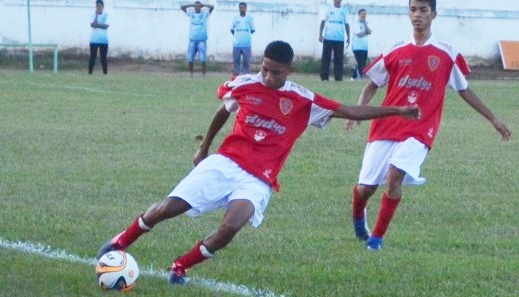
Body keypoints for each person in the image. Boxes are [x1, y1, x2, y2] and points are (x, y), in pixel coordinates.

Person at [96, 41, 420, 285]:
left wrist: (398, 111)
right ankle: (120, 241)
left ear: (288, 71)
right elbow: (224, 111)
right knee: (167, 208)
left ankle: (181, 266)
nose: (267, 75)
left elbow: (350, 111)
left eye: (275, 71)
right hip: (225, 162)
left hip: (258, 180)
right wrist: (204, 148)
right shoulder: (246, 84)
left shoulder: (303, 100)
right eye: (264, 68)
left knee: (231, 226)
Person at [346, 0, 512, 251]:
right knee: (364, 188)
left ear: (434, 14)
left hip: (421, 129)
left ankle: (376, 240)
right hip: (387, 126)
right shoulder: (396, 49)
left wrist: (493, 119)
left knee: (394, 177)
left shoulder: (447, 53)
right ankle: (359, 215)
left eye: (423, 10)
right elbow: (372, 84)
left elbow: (464, 89)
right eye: (413, 10)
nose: (417, 15)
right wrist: (357, 112)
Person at [181, 1, 215, 77]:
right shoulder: (191, 14)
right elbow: (182, 7)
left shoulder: (204, 14)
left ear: (201, 7)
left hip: (202, 40)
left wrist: (203, 5)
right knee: (190, 58)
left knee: (203, 58)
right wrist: (192, 4)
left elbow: (212, 7)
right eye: (196, 6)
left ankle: (203, 74)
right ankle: (191, 74)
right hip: (192, 39)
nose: (197, 7)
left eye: (199, 6)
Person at [319, 0, 350, 81]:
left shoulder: (344, 11)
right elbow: (322, 22)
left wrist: (348, 37)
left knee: (339, 59)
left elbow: (347, 24)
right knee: (326, 58)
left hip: (339, 39)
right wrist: (320, 34)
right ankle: (324, 77)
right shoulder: (328, 9)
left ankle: (338, 77)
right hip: (328, 38)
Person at [230, 2, 255, 79]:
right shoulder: (235, 18)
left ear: (246, 9)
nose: (242, 9)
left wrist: (245, 35)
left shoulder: (249, 18)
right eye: (240, 7)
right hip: (236, 45)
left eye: (243, 8)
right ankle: (235, 78)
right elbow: (232, 30)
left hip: (246, 44)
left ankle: (246, 79)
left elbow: (252, 30)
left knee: (246, 63)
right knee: (236, 62)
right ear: (238, 8)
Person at [88, 0, 109, 75]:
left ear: (103, 7)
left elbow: (106, 26)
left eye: (100, 6)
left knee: (103, 57)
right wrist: (96, 16)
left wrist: (98, 25)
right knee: (92, 57)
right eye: (97, 6)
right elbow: (92, 25)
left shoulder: (106, 15)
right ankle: (90, 72)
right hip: (94, 40)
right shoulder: (93, 15)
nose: (98, 7)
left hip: (104, 40)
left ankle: (105, 73)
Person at [350, 9, 371, 80]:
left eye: (365, 14)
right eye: (362, 14)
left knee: (363, 63)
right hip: (357, 47)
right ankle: (358, 77)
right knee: (360, 62)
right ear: (359, 15)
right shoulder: (356, 23)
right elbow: (359, 34)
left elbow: (370, 31)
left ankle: (354, 77)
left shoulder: (366, 23)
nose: (363, 16)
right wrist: (366, 32)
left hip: (364, 47)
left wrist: (365, 25)